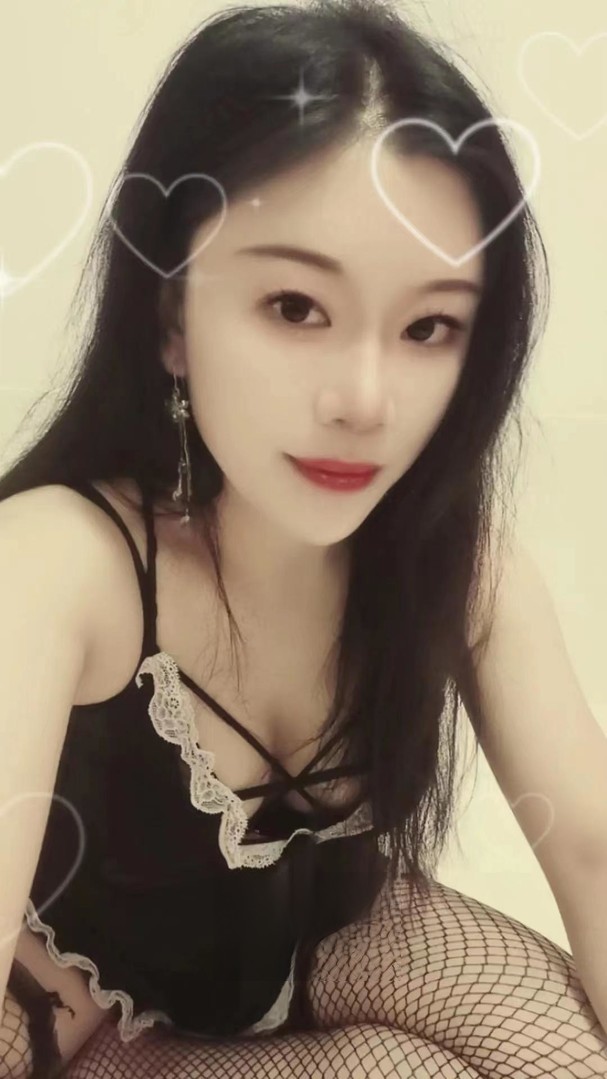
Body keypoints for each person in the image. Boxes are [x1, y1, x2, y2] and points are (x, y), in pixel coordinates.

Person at [2, 0, 606, 1076]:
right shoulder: (57, 563)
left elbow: (592, 849)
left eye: (428, 326)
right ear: (171, 317)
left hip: (328, 939)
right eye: (294, 306)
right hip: (73, 1016)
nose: (364, 401)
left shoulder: (452, 559)